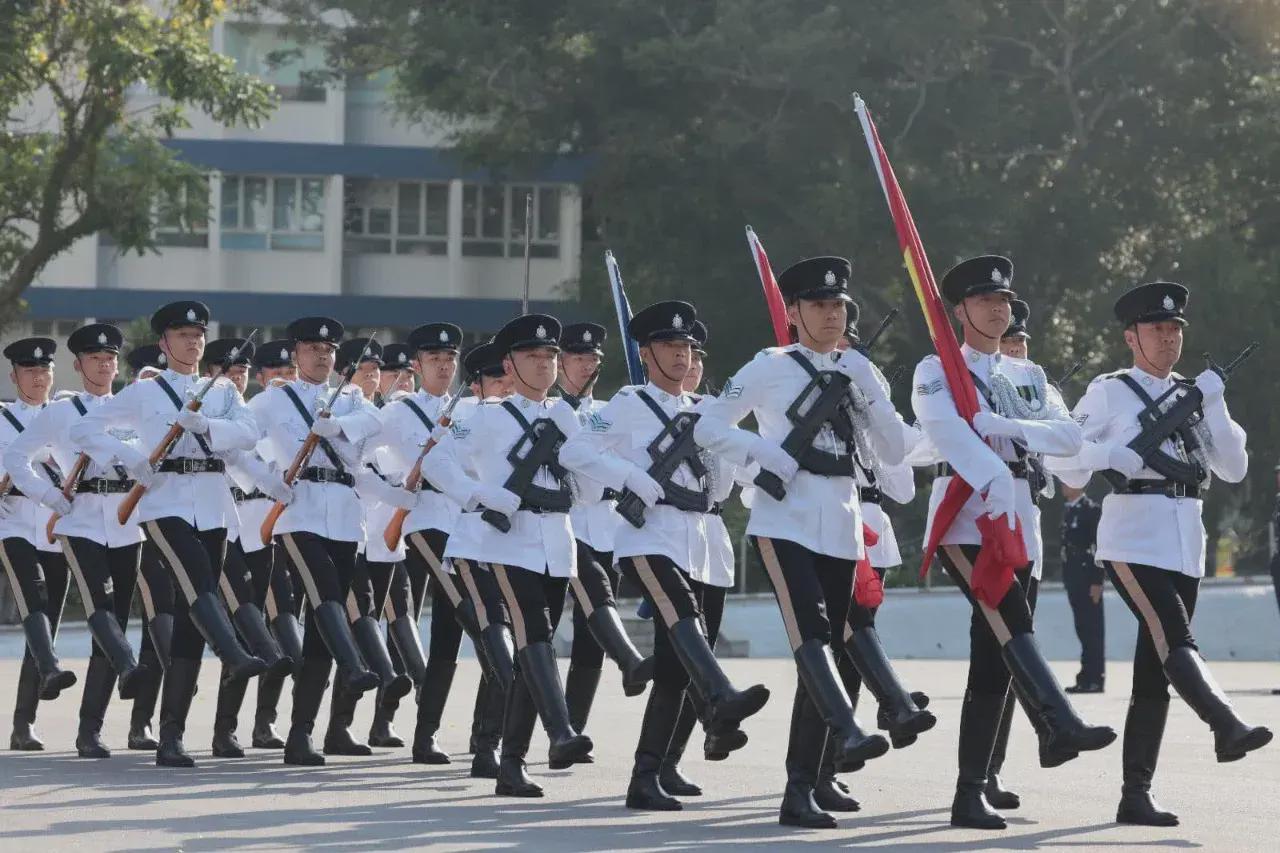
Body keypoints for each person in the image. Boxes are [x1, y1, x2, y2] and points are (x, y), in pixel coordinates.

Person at [698, 257, 928, 828]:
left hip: (843, 520)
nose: (832, 314)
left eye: (839, 306)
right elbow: (709, 427)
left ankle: (807, 783)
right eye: (819, 306)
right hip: (785, 520)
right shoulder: (769, 366)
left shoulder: (860, 370)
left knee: (829, 644)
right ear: (794, 313)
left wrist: (871, 392)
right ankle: (847, 733)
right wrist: (764, 454)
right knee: (814, 637)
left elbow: (896, 449)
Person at [1047, 280, 1271, 826]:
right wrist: (1111, 453)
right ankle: (1225, 723)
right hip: (1131, 537)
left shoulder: (1194, 393)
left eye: (1174, 329)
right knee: (1176, 637)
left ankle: (1135, 794)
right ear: (1131, 336)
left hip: (1185, 539)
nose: (1168, 338)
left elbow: (1234, 467)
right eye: (1156, 329)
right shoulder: (1109, 390)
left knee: (1156, 668)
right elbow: (1066, 457)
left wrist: (1214, 402)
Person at [910, 255, 1114, 830]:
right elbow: (946, 431)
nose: (997, 308)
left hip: (1020, 514)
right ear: (960, 311)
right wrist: (993, 475)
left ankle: (974, 786)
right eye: (984, 301)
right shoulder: (937, 369)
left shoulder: (1029, 375)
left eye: (1003, 299)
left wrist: (1012, 430)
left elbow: (1069, 436)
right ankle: (1059, 720)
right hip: (965, 516)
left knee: (994, 654)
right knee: (1011, 624)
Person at [562, 302, 766, 812]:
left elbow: (730, 473)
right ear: (646, 353)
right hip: (649, 536)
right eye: (671, 347)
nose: (682, 355)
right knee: (682, 620)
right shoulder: (630, 403)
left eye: (688, 348)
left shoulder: (707, 410)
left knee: (678, 665)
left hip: (706, 539)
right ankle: (719, 696)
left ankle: (660, 768)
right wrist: (629, 476)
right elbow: (574, 451)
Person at [71, 301, 268, 767]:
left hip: (214, 504)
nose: (192, 341)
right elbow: (85, 428)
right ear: (164, 343)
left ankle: (171, 737)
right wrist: (129, 458)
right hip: (165, 503)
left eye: (197, 333)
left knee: (187, 620)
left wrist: (208, 425)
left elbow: (249, 434)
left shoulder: (219, 391)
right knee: (200, 582)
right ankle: (234, 653)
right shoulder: (147, 392)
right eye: (181, 334)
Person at [423, 313, 594, 797]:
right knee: (533, 635)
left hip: (557, 543)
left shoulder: (567, 416)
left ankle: (511, 762)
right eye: (531, 356)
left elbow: (586, 477)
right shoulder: (481, 415)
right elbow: (436, 461)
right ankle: (560, 730)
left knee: (527, 655)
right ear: (509, 363)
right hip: (504, 543)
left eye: (549, 356)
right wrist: (480, 494)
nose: (543, 365)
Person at [4, 324, 155, 759]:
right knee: (64, 609)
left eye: (110, 359)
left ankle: (90, 728)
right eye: (95, 359)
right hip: (51, 521)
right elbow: (16, 460)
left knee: (102, 622)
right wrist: (49, 494)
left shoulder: (126, 407)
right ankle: (44, 699)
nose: (37, 377)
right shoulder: (45, 416)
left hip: (121, 523)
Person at [250, 316, 385, 766]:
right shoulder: (274, 401)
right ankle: (353, 668)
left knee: (318, 636)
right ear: (295, 355)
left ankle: (301, 733)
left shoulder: (352, 399)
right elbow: (237, 444)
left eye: (329, 350)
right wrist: (267, 482)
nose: (322, 356)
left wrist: (339, 427)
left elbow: (375, 425)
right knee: (326, 592)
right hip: (299, 510)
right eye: (312, 349)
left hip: (344, 515)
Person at [556, 321, 653, 764]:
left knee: (586, 636)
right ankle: (630, 660)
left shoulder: (610, 411)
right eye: (579, 358)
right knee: (593, 592)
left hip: (603, 523)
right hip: (562, 521)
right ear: (560, 363)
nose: (589, 365)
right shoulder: (548, 410)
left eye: (594, 358)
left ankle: (573, 731)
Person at [203, 338, 295, 759]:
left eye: (240, 371)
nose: (236, 378)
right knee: (247, 622)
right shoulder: (205, 416)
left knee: (276, 622)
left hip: (264, 528)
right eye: (228, 371)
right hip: (226, 524)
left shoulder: (265, 418)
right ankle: (225, 729)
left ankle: (263, 722)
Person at [2, 337, 76, 751]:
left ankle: (23, 723)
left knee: (48, 618)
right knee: (32, 602)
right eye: (30, 371)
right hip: (12, 524)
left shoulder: (66, 418)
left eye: (44, 370)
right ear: (14, 377)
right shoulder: (1, 420)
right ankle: (49, 669)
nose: (38, 378)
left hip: (56, 526)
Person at [1060, 482, 1105, 693]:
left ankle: (1095, 678)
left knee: (1092, 630)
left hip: (1088, 579)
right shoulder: (1069, 509)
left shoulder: (1092, 510)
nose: (1063, 485)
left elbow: (1098, 548)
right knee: (1082, 629)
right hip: (1074, 578)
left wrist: (1098, 581)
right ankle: (1085, 677)